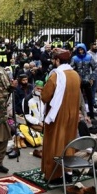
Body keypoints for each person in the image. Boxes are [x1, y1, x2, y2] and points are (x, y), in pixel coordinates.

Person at [40, 48, 81, 183]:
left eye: (54, 59)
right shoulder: (75, 74)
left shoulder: (56, 75)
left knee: (55, 143)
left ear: (57, 60)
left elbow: (45, 96)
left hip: (57, 115)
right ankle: (68, 173)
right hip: (72, 114)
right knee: (68, 142)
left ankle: (53, 175)